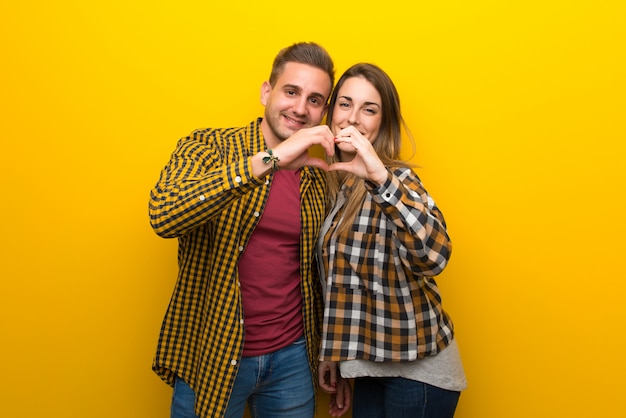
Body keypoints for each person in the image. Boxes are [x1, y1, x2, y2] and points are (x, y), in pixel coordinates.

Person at [149, 42, 337, 418]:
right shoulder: (209, 147)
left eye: (315, 100)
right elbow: (164, 215)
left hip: (293, 360)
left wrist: (330, 354)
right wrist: (271, 160)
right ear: (266, 92)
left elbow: (319, 277)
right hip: (213, 353)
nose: (301, 108)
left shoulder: (318, 178)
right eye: (291, 91)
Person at [316, 63, 467, 418]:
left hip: (419, 375)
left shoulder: (398, 179)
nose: (353, 118)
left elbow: (435, 257)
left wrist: (381, 178)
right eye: (345, 104)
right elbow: (344, 283)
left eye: (369, 109)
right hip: (372, 369)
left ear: (382, 123)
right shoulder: (336, 185)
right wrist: (335, 356)